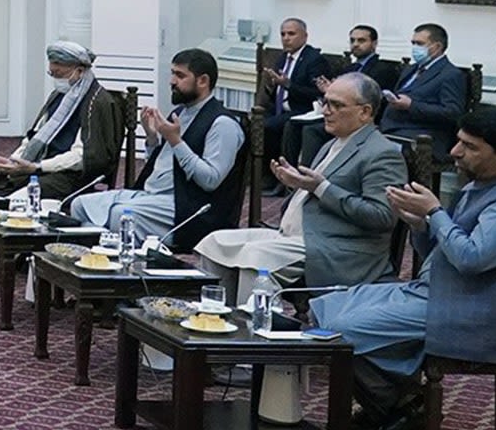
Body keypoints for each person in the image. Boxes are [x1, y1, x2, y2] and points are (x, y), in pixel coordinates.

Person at [314, 107, 496, 430]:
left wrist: (435, 213)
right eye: (458, 142)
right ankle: (400, 403)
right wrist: (419, 224)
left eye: (469, 147)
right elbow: (443, 248)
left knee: (341, 334)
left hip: (472, 310)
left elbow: (472, 259)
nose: (455, 152)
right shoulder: (480, 183)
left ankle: (396, 405)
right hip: (434, 291)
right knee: (323, 311)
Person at [194, 72, 407, 294]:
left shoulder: (381, 153)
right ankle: (221, 315)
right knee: (214, 243)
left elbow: (382, 216)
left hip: (338, 247)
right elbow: (316, 191)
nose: (325, 111)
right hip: (294, 235)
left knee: (255, 257)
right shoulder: (332, 143)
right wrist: (296, 183)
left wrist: (320, 187)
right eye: (325, 103)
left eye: (336, 105)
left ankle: (251, 325)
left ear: (365, 112)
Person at [66, 48, 247, 251]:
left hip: (190, 208)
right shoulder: (180, 113)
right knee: (79, 205)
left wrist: (176, 141)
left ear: (203, 81)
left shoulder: (223, 124)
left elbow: (210, 180)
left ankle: (126, 271)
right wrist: (152, 139)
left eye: (180, 75)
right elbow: (162, 169)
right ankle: (96, 260)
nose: (172, 81)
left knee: (122, 216)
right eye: (172, 73)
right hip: (152, 196)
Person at [0, 40, 125, 204]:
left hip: (72, 176)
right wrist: (14, 161)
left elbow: (82, 157)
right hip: (40, 168)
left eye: (60, 75)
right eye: (52, 74)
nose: (56, 80)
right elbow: (36, 135)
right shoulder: (59, 95)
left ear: (79, 70)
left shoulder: (97, 103)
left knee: (14, 202)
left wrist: (38, 167)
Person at [258, 18, 326, 193]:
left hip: (302, 110)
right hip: (279, 109)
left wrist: (288, 84)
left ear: (304, 36)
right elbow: (276, 90)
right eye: (283, 34)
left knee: (268, 127)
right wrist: (271, 85)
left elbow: (317, 93)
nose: (286, 38)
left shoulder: (314, 59)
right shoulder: (282, 58)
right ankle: (254, 176)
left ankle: (274, 178)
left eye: (291, 34)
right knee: (252, 122)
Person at [383, 23, 465, 163]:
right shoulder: (411, 69)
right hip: (393, 130)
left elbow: (452, 112)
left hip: (423, 137)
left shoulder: (451, 74)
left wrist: (411, 105)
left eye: (419, 43)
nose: (415, 48)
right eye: (413, 43)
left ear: (437, 47)